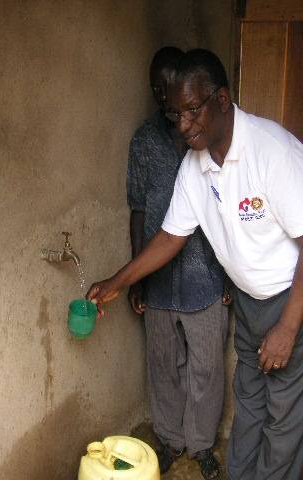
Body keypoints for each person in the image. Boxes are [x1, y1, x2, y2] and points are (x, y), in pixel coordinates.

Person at [87, 48, 303, 480]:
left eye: (191, 111)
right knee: (251, 403)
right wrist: (118, 280)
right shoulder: (196, 165)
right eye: (175, 113)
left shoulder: (272, 152)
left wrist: (287, 328)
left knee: (284, 420)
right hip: (249, 301)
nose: (183, 126)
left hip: (289, 300)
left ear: (221, 99)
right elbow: (170, 236)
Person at [126, 46, 229, 479]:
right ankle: (169, 439)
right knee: (163, 365)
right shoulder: (145, 142)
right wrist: (135, 277)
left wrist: (227, 275)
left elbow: (226, 215)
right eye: (157, 88)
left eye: (170, 87)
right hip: (159, 278)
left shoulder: (206, 140)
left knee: (207, 367)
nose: (163, 97)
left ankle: (202, 444)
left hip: (204, 275)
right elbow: (138, 210)